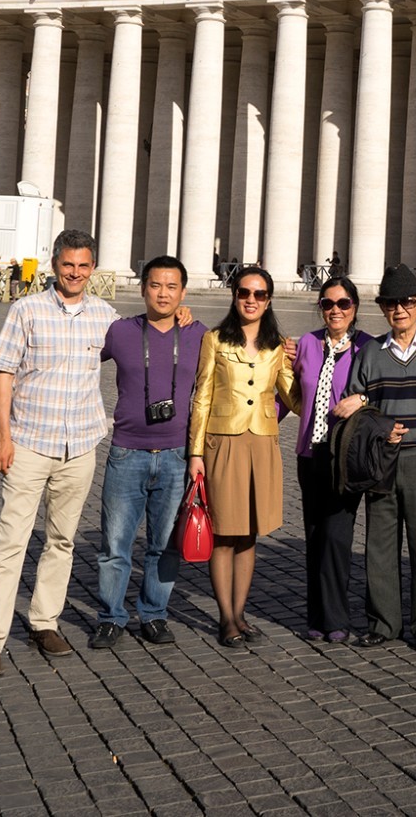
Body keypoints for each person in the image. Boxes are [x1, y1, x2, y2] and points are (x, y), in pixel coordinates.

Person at [0, 230, 114, 677]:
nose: (75, 273)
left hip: (81, 444)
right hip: (30, 441)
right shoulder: (26, 310)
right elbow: (4, 375)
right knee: (10, 542)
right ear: (55, 265)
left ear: (92, 268)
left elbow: (141, 342)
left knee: (62, 541)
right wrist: (3, 437)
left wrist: (182, 316)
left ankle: (43, 621)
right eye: (68, 265)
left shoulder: (106, 316)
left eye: (83, 266)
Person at [336, 264, 416, 651]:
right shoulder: (370, 353)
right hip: (381, 459)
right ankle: (383, 622)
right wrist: (378, 422)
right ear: (382, 308)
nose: (399, 310)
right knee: (380, 543)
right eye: (391, 303)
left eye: (407, 302)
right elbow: (355, 407)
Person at [92, 257, 205, 650]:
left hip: (176, 454)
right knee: (115, 545)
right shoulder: (120, 332)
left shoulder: (197, 334)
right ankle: (110, 616)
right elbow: (77, 359)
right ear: (143, 288)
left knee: (164, 545)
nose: (163, 293)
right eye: (156, 285)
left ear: (183, 293)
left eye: (172, 287)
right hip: (127, 452)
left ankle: (154, 614)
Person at [188, 265, 297, 649]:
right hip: (223, 441)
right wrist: (195, 452)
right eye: (244, 293)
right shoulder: (214, 339)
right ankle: (225, 618)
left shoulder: (278, 346)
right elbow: (201, 396)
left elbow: (293, 398)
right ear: (234, 296)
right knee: (223, 532)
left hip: (262, 443)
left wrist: (303, 364)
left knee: (249, 533)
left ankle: (241, 612)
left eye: (260, 294)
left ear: (269, 301)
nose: (251, 300)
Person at [291, 276, 374, 643]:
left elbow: (379, 390)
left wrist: (364, 400)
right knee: (314, 534)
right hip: (310, 453)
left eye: (343, 304)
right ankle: (317, 616)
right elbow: (287, 395)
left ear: (354, 308)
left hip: (345, 456)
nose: (335, 310)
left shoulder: (368, 347)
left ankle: (337, 618)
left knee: (338, 536)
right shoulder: (306, 344)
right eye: (328, 304)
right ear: (320, 307)